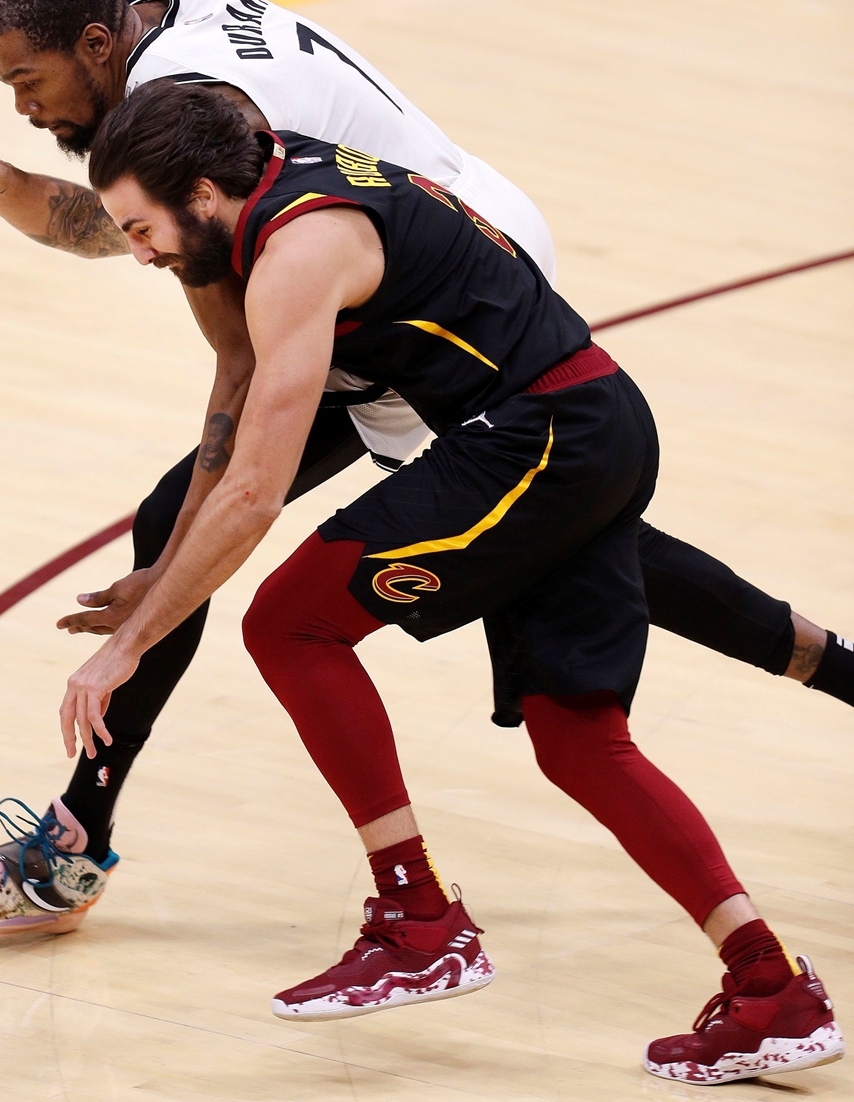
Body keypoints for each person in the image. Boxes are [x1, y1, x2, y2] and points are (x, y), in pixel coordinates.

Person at [0, 0, 854, 939]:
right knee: (565, 536)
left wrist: (144, 617)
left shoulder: (191, 141)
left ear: (100, 46)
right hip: (452, 227)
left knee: (509, 545)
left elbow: (174, 304)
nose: (23, 103)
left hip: (410, 303)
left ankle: (68, 855)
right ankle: (842, 671)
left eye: (28, 80)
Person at [59, 78, 845, 1083]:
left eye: (142, 227)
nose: (140, 252)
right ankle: (769, 987)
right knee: (579, 742)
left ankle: (417, 918)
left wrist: (130, 647)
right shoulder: (276, 164)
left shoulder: (295, 253)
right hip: (588, 419)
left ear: (206, 195)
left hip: (534, 438)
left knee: (288, 624)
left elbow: (257, 489)